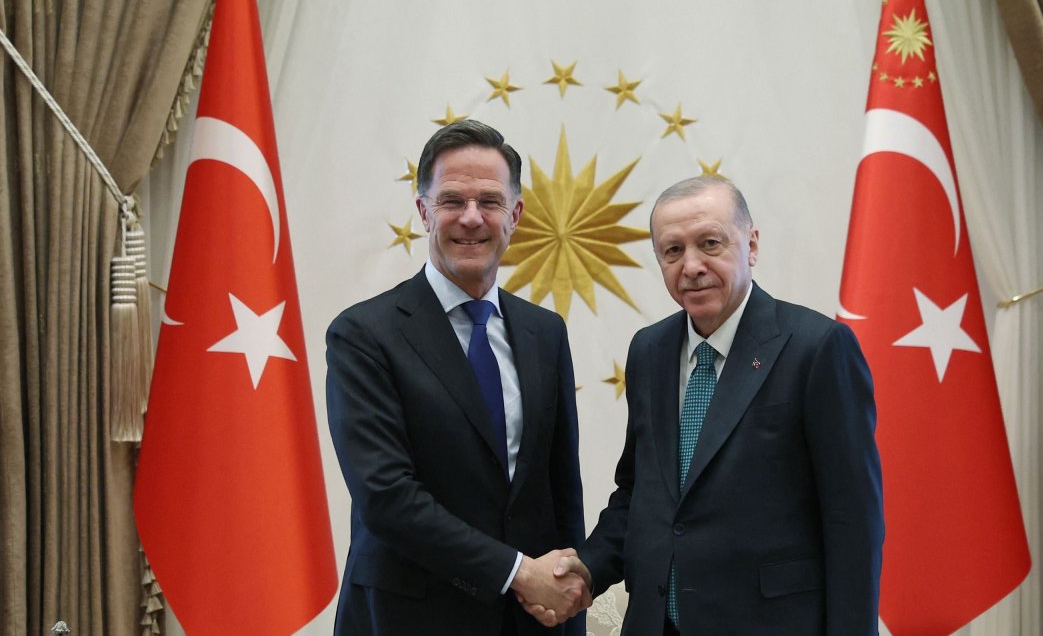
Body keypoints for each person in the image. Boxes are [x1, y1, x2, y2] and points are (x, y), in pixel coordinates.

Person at [536, 176, 884, 634]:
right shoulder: (649, 350)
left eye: (710, 243)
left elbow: (852, 522)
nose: (692, 266)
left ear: (751, 245)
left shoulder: (818, 348)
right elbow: (641, 492)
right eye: (673, 251)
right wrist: (587, 570)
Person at [326, 120, 589, 635]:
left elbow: (560, 493)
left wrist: (566, 605)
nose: (472, 218)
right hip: (408, 617)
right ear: (424, 211)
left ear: (515, 215)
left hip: (531, 622)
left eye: (489, 201)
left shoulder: (545, 332)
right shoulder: (363, 334)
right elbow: (386, 496)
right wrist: (516, 574)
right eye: (452, 201)